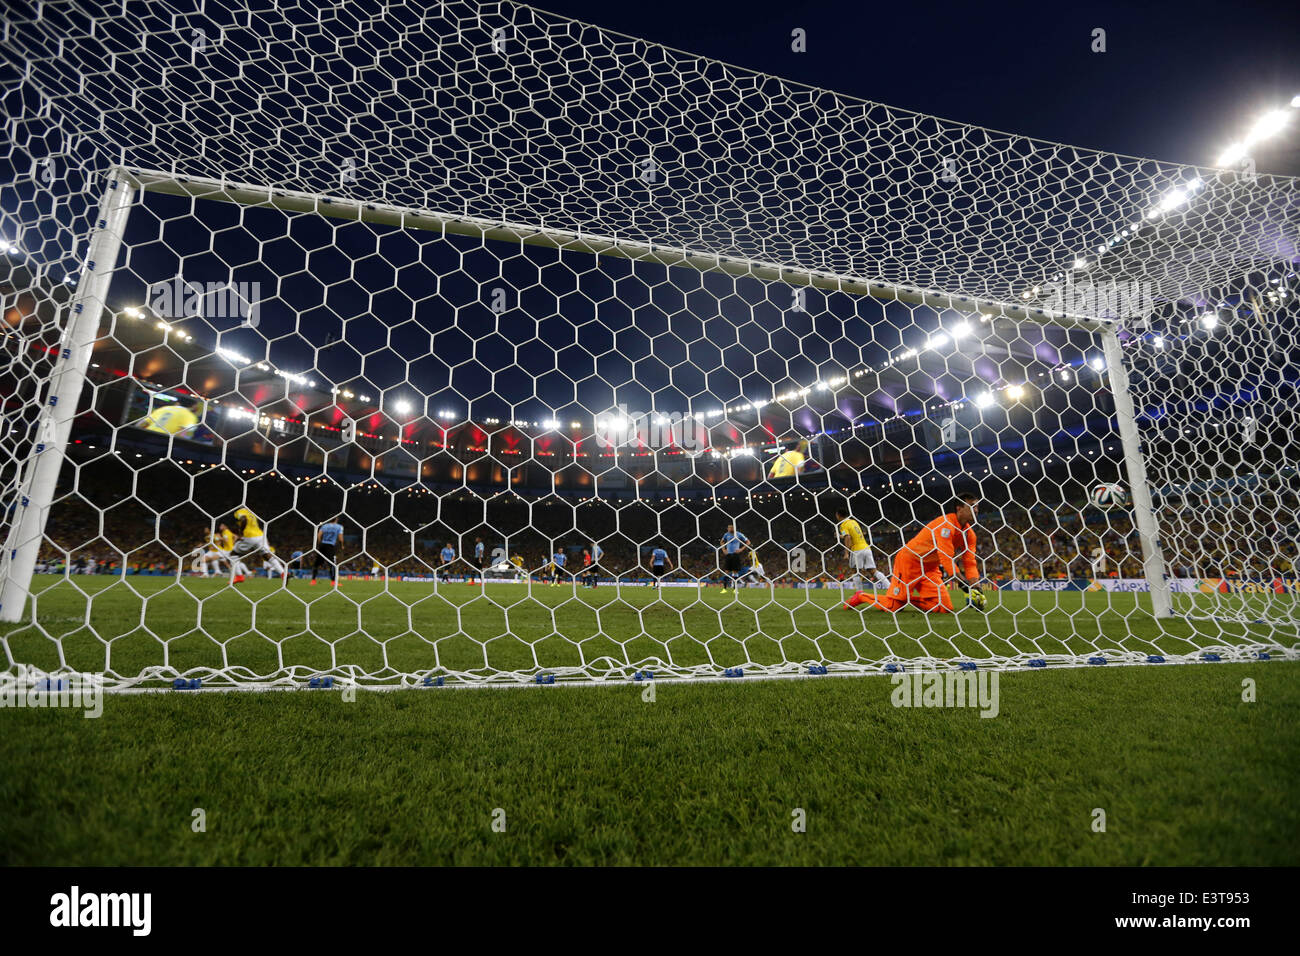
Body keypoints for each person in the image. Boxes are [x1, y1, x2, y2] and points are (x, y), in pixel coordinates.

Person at [844, 495, 985, 613]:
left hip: (930, 568)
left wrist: (976, 587)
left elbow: (970, 561)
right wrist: (964, 585)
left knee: (943, 607)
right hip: (909, 562)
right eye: (972, 506)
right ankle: (861, 596)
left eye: (978, 506)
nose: (976, 510)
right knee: (893, 607)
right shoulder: (946, 525)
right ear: (959, 508)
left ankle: (903, 598)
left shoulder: (969, 534)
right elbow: (946, 557)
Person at [836, 508, 891, 591]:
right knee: (873, 571)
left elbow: (848, 537)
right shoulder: (853, 522)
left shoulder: (843, 525)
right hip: (866, 548)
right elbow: (853, 535)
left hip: (857, 550)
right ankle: (890, 587)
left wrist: (846, 553)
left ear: (838, 515)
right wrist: (840, 536)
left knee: (855, 572)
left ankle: (859, 593)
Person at [311, 518, 344, 587]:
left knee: (317, 563)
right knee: (332, 564)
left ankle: (313, 580)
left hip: (322, 545)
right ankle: (333, 582)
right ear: (336, 519)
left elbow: (319, 535)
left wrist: (320, 543)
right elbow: (340, 538)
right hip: (330, 546)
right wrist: (342, 545)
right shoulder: (339, 527)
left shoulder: (324, 526)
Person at [719, 524, 749, 593]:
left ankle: (735, 589)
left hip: (736, 555)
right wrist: (724, 550)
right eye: (728, 528)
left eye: (731, 528)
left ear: (734, 528)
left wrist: (741, 549)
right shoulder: (726, 534)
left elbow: (748, 542)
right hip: (728, 555)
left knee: (735, 572)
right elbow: (721, 542)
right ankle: (724, 589)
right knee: (726, 572)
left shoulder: (739, 534)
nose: (729, 529)